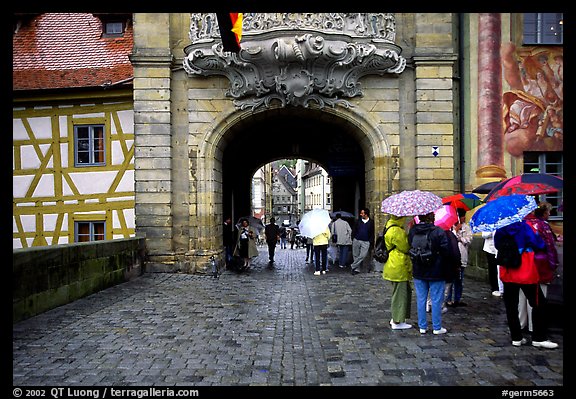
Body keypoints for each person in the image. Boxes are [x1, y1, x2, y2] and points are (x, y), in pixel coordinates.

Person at [495, 219, 558, 349]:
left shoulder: (500, 229)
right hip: (525, 268)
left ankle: (516, 337)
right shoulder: (524, 226)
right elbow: (539, 244)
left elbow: (497, 246)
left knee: (511, 306)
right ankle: (539, 337)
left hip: (507, 270)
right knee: (538, 302)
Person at [520, 202, 560, 334]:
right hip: (539, 264)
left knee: (523, 295)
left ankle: (521, 323)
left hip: (523, 263)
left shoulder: (521, 224)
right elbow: (549, 247)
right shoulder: (542, 225)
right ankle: (534, 326)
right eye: (548, 212)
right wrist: (554, 263)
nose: (549, 214)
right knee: (538, 296)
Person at [409, 211, 451, 335]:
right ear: (432, 218)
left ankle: (422, 326)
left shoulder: (413, 231)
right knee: (436, 300)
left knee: (421, 299)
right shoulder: (438, 231)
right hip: (436, 270)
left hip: (419, 269)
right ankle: (437, 327)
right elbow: (446, 251)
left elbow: (409, 246)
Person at [382, 215, 413, 330]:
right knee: (400, 294)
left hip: (393, 263)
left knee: (398, 292)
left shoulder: (389, 226)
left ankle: (397, 317)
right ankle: (397, 321)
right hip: (398, 264)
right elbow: (405, 247)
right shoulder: (396, 230)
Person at [445, 208, 473, 307]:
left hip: (462, 256)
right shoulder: (449, 228)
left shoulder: (466, 227)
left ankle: (457, 299)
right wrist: (455, 231)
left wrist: (460, 237)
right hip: (452, 257)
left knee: (459, 280)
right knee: (450, 280)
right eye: (462, 216)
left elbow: (469, 239)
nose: (464, 218)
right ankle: (448, 299)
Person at [350, 208, 375, 275]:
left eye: (362, 213)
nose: (361, 214)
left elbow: (372, 232)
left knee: (363, 255)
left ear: (366, 214)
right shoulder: (358, 221)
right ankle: (356, 269)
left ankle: (353, 266)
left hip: (366, 241)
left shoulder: (371, 222)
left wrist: (370, 241)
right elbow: (354, 230)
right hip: (357, 239)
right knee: (355, 255)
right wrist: (353, 238)